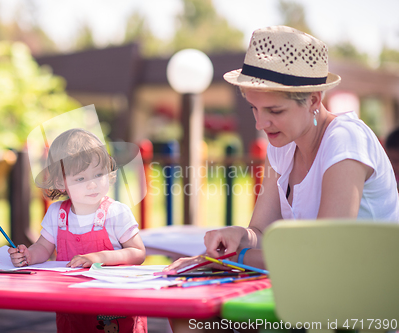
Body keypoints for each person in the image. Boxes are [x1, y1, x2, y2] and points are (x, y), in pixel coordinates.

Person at [166, 25, 399, 272]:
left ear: (313, 100)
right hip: (324, 293)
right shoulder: (282, 145)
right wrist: (239, 237)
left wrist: (235, 258)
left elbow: (325, 254)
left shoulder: (346, 139)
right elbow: (263, 233)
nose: (260, 123)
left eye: (275, 111)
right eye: (254, 108)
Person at [9, 128, 147, 333]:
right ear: (60, 182)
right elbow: (43, 248)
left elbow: (138, 253)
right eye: (81, 179)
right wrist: (28, 256)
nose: (92, 184)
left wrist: (99, 257)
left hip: (114, 306)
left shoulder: (116, 213)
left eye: (98, 174)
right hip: (70, 304)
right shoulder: (57, 214)